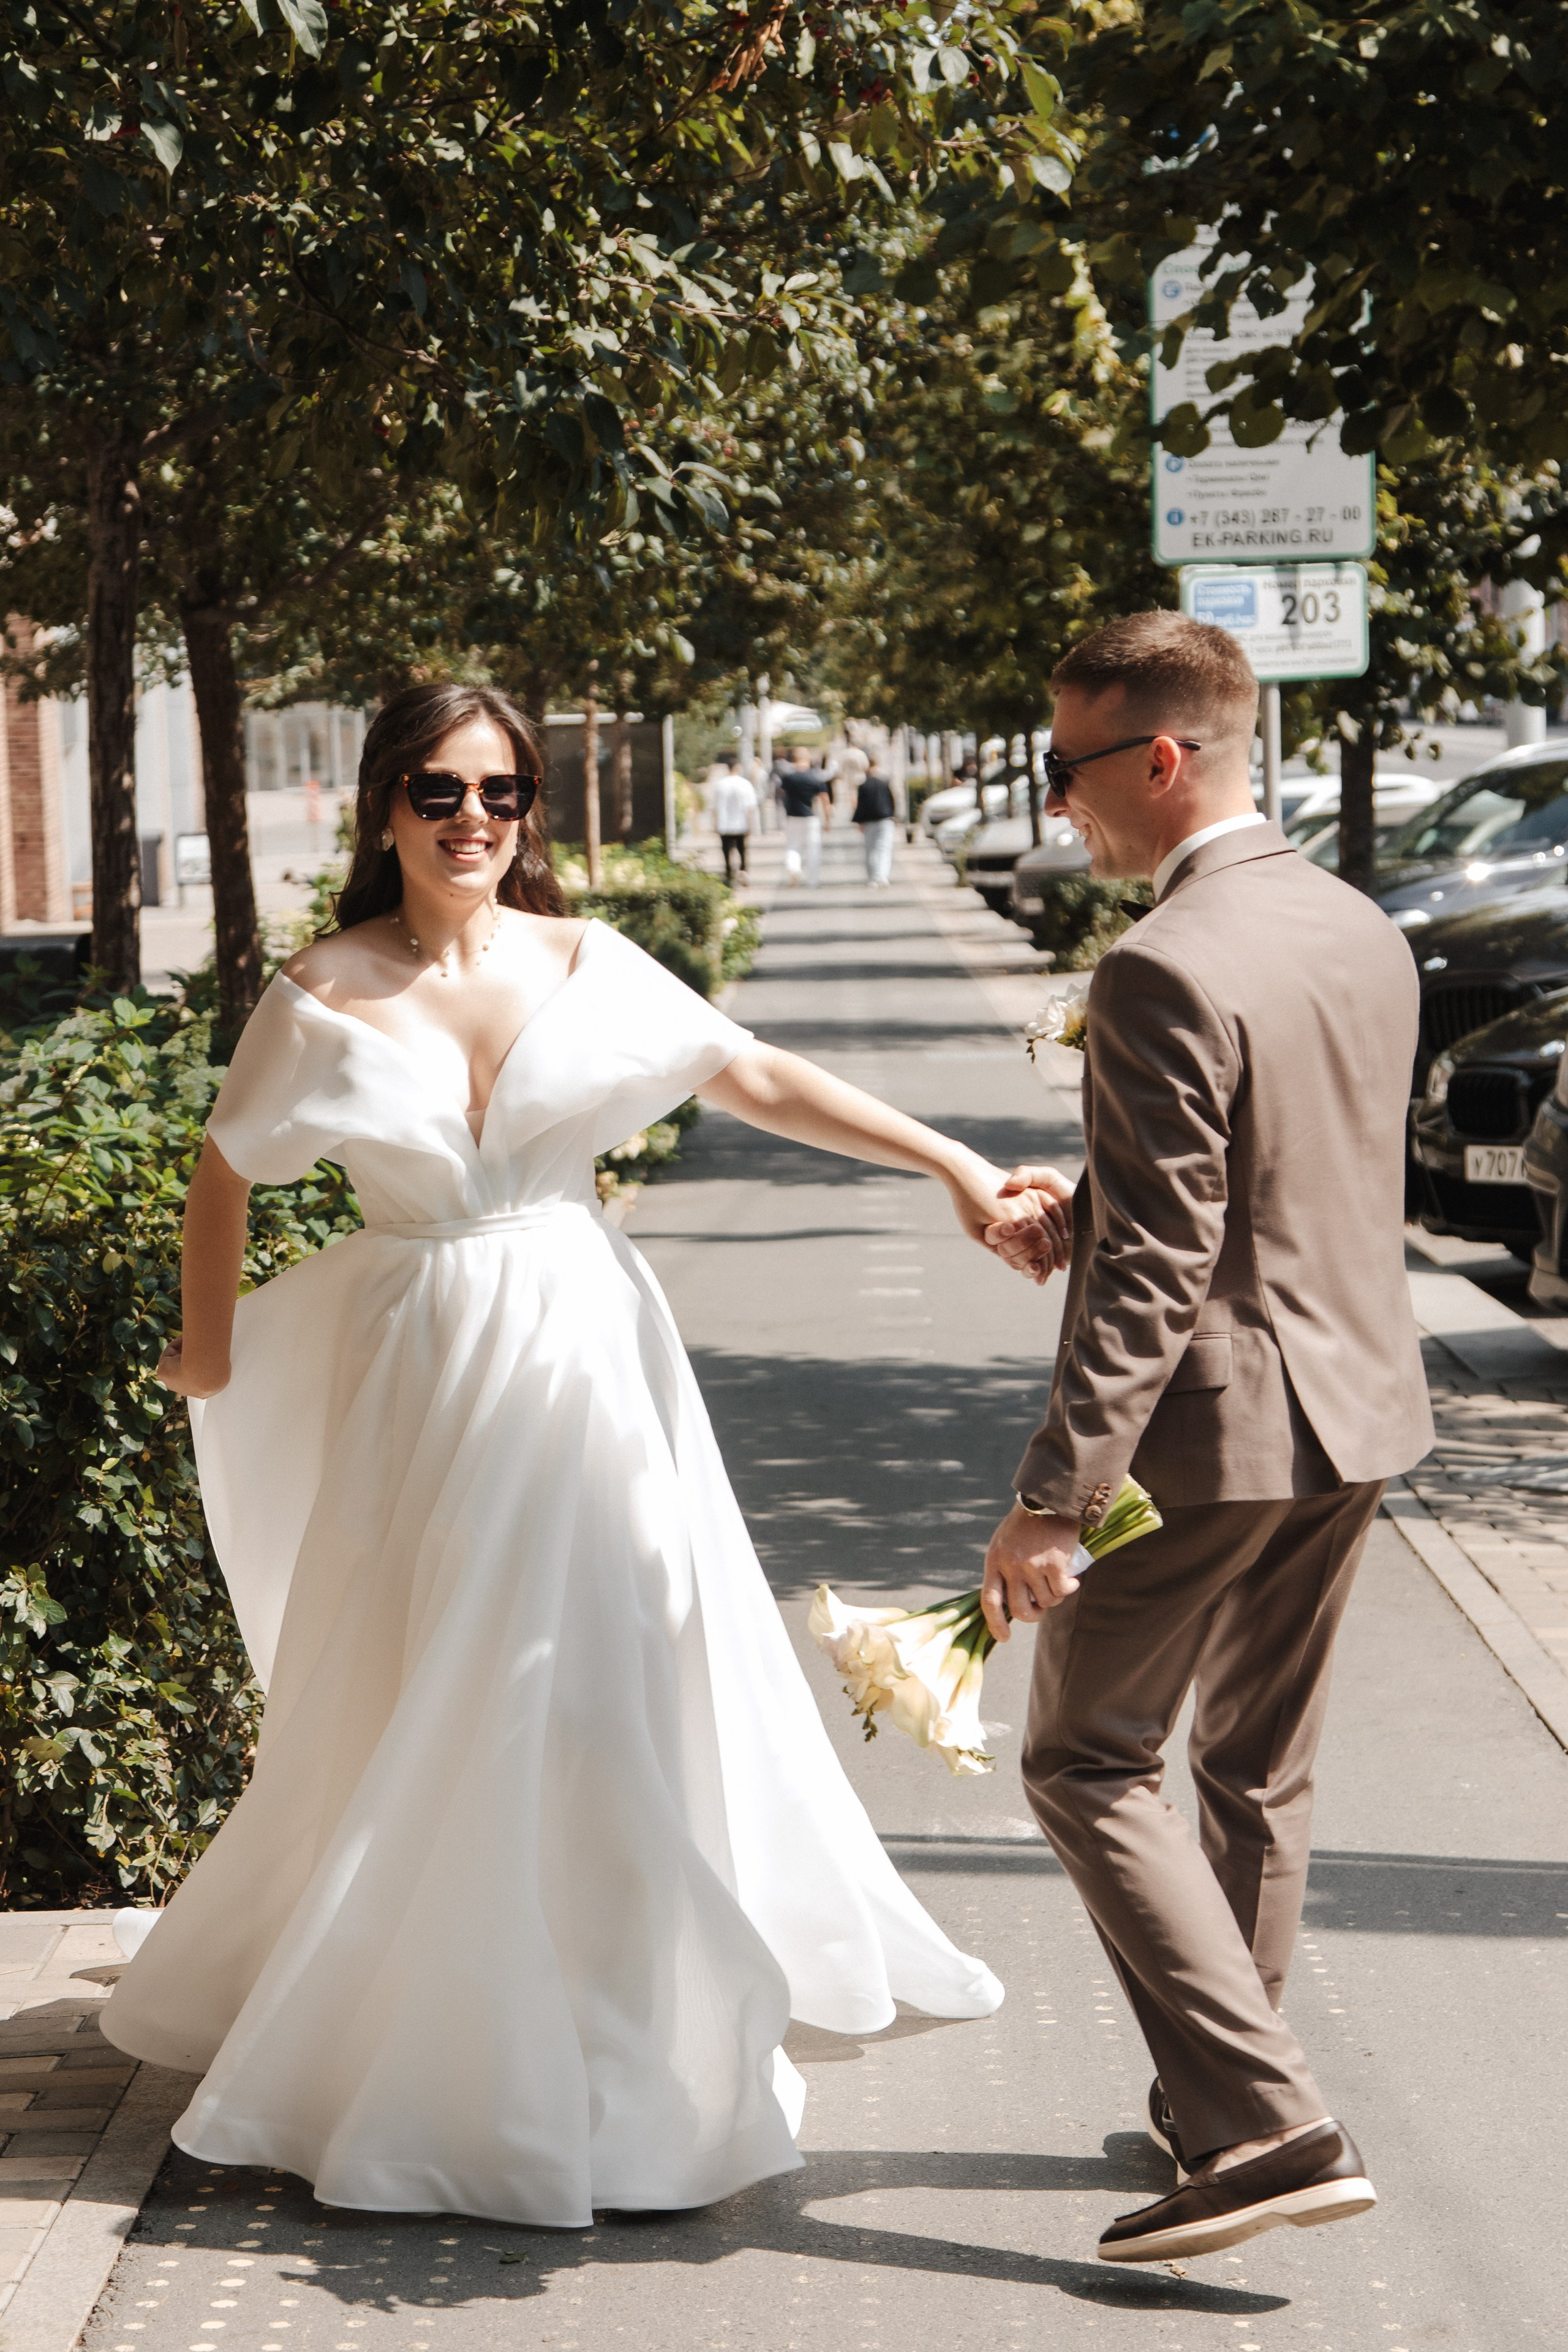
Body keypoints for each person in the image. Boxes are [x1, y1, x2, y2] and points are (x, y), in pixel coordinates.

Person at [101, 681, 1066, 2229]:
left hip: (588, 1349)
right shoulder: (321, 990)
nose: (471, 817)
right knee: (436, 1669)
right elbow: (223, 1165)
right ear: (383, 807)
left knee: (597, 1656)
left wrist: (952, 1163)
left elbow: (748, 1072)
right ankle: (427, 2012)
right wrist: (206, 1345)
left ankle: (625, 2019)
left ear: (528, 809)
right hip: (420, 1363)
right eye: (437, 790)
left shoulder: (586, 959)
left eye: (500, 791)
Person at [981, 611, 1432, 2266]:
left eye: (1069, 769)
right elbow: (1269, 1174)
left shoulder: (1162, 963)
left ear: (1162, 759)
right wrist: (1081, 1211)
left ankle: (1263, 2123)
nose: (1059, 808)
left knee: (1086, 1759)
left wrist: (1055, 1500)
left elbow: (1171, 1270)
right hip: (1358, 1416)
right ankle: (1214, 2104)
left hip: (1216, 1437)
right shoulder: (1351, 924)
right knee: (1253, 1771)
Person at [776, 746, 833, 886]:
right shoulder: (815, 777)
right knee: (814, 849)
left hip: (792, 817)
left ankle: (794, 868)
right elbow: (825, 799)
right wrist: (827, 820)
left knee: (793, 846)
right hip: (811, 818)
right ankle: (813, 881)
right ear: (807, 759)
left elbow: (782, 795)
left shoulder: (788, 778)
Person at [707, 753, 758, 885]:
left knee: (726, 850)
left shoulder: (720, 785)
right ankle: (743, 871)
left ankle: (729, 872)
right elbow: (750, 807)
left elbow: (714, 808)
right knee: (742, 849)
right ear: (737, 768)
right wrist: (750, 825)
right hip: (741, 823)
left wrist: (715, 824)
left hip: (725, 824)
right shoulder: (745, 784)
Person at [852, 764, 898, 888]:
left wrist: (859, 821)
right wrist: (894, 815)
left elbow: (860, 805)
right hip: (886, 819)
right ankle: (882, 876)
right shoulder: (885, 783)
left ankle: (873, 878)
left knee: (871, 850)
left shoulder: (863, 786)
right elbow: (892, 800)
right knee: (884, 849)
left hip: (869, 821)